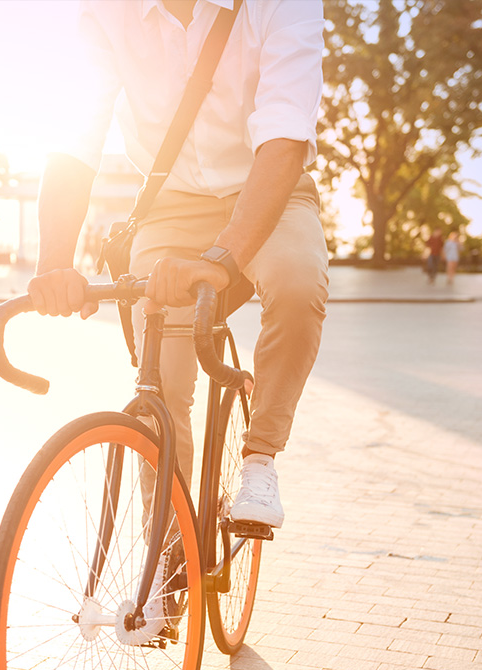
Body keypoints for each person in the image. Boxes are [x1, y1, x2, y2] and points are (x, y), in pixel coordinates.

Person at [27, 0, 328, 532]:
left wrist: (223, 256)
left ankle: (260, 458)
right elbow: (76, 138)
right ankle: (166, 567)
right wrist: (54, 261)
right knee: (161, 386)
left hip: (268, 191)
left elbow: (285, 130)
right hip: (171, 204)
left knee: (298, 283)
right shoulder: (107, 12)